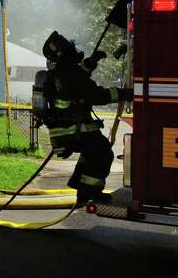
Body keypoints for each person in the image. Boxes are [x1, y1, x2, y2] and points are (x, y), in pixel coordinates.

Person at [41, 30, 131, 204]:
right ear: (64, 55)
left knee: (93, 153)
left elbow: (79, 78)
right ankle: (89, 192)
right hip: (73, 130)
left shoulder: (62, 72)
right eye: (70, 49)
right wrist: (124, 94)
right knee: (103, 153)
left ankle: (82, 187)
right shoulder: (68, 74)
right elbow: (95, 94)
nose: (74, 50)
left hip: (68, 130)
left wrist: (91, 62)